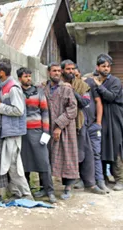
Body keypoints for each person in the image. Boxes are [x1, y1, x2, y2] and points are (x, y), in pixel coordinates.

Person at [0, 58, 32, 200]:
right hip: (7, 131)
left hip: (13, 132)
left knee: (14, 164)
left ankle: (26, 194)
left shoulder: (13, 88)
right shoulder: (3, 85)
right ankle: (16, 193)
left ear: (1, 72)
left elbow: (19, 110)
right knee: (9, 164)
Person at [60, 60, 105, 195]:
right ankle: (68, 186)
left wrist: (72, 91)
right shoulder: (58, 85)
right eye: (68, 69)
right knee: (66, 155)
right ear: (62, 70)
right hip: (62, 125)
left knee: (87, 153)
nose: (71, 71)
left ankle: (90, 184)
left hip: (79, 124)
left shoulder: (82, 85)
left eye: (72, 69)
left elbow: (85, 102)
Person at [17, 67, 56, 203]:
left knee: (43, 162)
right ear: (19, 78)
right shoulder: (16, 92)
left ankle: (49, 191)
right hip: (21, 133)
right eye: (25, 76)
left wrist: (45, 132)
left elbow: (45, 112)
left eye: (29, 76)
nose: (28, 78)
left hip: (37, 132)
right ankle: (26, 191)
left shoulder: (39, 92)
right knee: (23, 163)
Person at [43, 62, 78, 200]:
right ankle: (46, 188)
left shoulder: (66, 89)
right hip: (47, 128)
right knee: (46, 156)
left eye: (58, 71)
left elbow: (73, 109)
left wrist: (59, 126)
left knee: (67, 156)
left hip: (65, 129)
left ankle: (68, 188)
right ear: (49, 72)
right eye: (54, 71)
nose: (57, 73)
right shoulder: (44, 89)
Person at [92, 55, 123, 191]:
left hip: (114, 117)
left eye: (108, 66)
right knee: (102, 146)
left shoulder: (115, 81)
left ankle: (120, 179)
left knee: (116, 146)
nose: (106, 68)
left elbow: (111, 97)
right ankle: (103, 177)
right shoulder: (94, 80)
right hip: (101, 118)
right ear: (97, 67)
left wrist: (99, 86)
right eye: (103, 66)